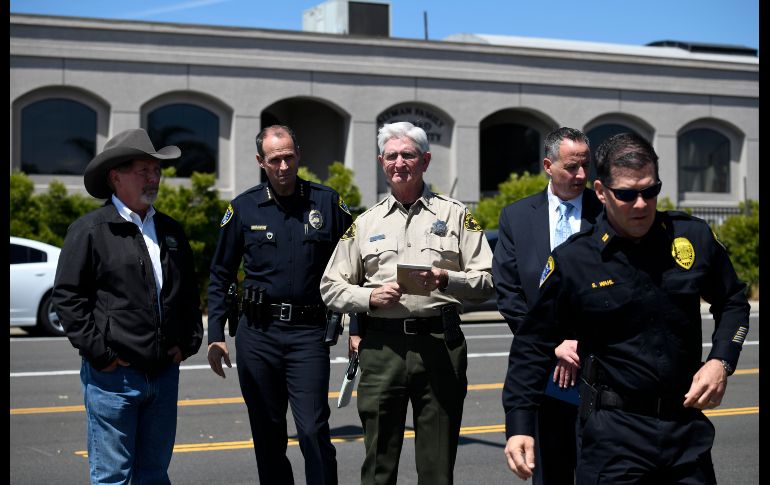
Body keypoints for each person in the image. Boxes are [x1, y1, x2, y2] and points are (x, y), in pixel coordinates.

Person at [502, 132, 751, 483]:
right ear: (601, 191)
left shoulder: (690, 238)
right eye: (627, 194)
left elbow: (733, 301)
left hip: (684, 432)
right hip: (613, 438)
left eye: (650, 191)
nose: (640, 204)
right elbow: (532, 343)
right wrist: (519, 424)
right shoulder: (575, 260)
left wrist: (720, 361)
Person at [320, 121, 495, 484]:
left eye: (408, 155)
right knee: (378, 464)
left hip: (439, 344)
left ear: (425, 160)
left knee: (437, 465)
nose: (399, 163)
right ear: (381, 162)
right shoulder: (365, 223)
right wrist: (369, 297)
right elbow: (330, 287)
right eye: (391, 156)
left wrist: (446, 279)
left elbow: (488, 280)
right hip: (382, 347)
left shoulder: (456, 215)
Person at [52, 128, 204, 484]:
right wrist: (101, 355)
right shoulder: (90, 230)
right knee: (113, 477)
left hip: (163, 375)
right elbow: (68, 298)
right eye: (143, 170)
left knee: (153, 474)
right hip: (113, 379)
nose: (153, 178)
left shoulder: (170, 230)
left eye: (157, 170)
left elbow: (187, 291)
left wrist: (188, 341)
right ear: (115, 177)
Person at [207, 125, 351, 485]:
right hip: (258, 335)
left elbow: (356, 266)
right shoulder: (243, 208)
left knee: (313, 429)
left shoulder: (326, 203)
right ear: (261, 161)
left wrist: (358, 328)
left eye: (288, 157)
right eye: (275, 160)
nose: (283, 166)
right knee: (268, 435)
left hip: (308, 334)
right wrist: (216, 335)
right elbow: (220, 273)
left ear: (298, 154)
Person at [493, 127, 602, 484]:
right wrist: (551, 344)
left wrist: (579, 341)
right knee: (550, 471)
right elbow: (509, 291)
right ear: (547, 166)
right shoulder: (517, 217)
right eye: (571, 167)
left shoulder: (606, 212)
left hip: (598, 365)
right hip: (541, 366)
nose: (581, 175)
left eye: (585, 165)